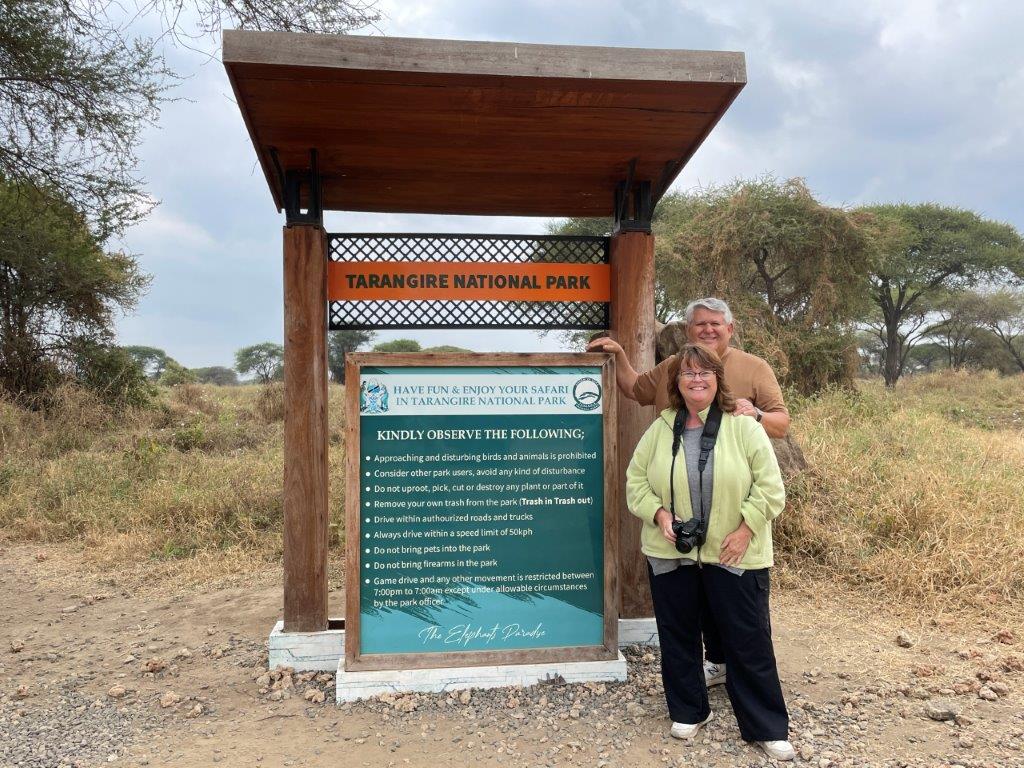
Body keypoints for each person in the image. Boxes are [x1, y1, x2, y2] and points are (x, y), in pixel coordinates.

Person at [589, 296, 789, 688]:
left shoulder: (754, 368)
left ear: (730, 329)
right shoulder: (671, 367)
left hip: (733, 504)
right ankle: (706, 673)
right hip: (679, 515)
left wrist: (756, 415)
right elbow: (634, 388)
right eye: (700, 324)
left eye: (716, 323)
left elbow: (781, 423)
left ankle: (739, 674)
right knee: (689, 603)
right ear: (687, 330)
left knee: (737, 604)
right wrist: (617, 355)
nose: (708, 330)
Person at [626, 343, 794, 761]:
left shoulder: (744, 426)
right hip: (673, 552)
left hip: (735, 553)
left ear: (717, 379)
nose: (696, 379)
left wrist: (746, 528)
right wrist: (659, 514)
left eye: (704, 373)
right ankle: (688, 710)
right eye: (687, 374)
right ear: (676, 383)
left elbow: (772, 490)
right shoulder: (662, 427)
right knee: (678, 634)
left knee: (748, 640)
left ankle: (766, 727)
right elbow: (635, 483)